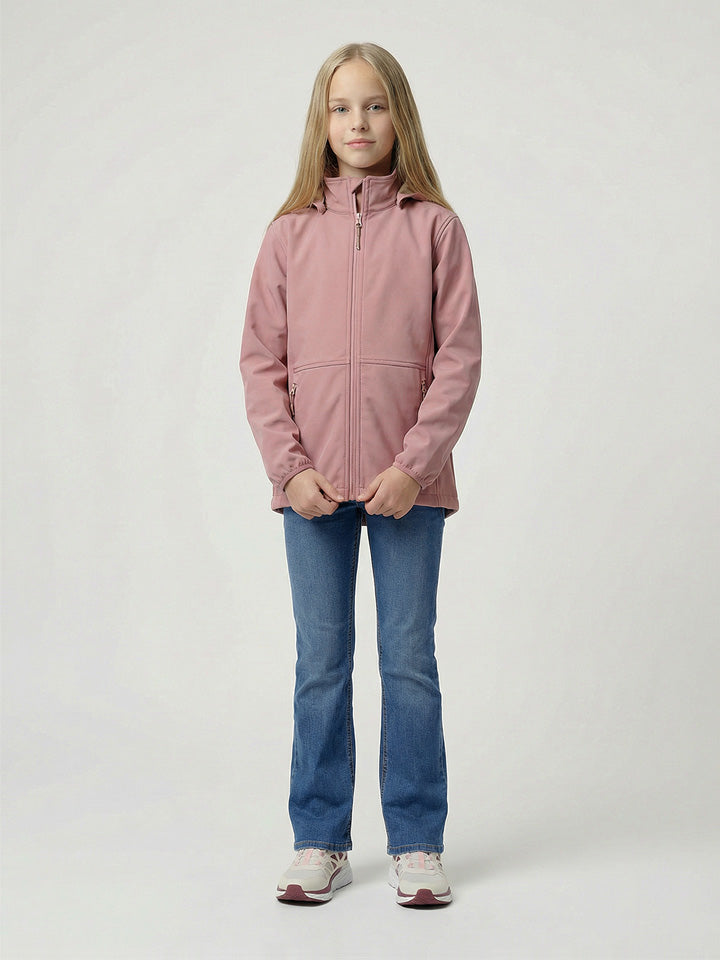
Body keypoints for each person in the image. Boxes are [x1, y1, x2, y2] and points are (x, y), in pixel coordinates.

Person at [239, 41, 482, 907]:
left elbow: (458, 360)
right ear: (322, 121)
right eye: (342, 107)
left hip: (409, 489)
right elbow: (261, 363)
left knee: (408, 660)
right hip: (311, 492)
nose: (359, 122)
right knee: (321, 663)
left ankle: (416, 844)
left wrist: (414, 467)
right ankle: (320, 839)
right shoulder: (288, 234)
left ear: (398, 116)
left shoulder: (435, 228)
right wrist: (289, 469)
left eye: (375, 105)